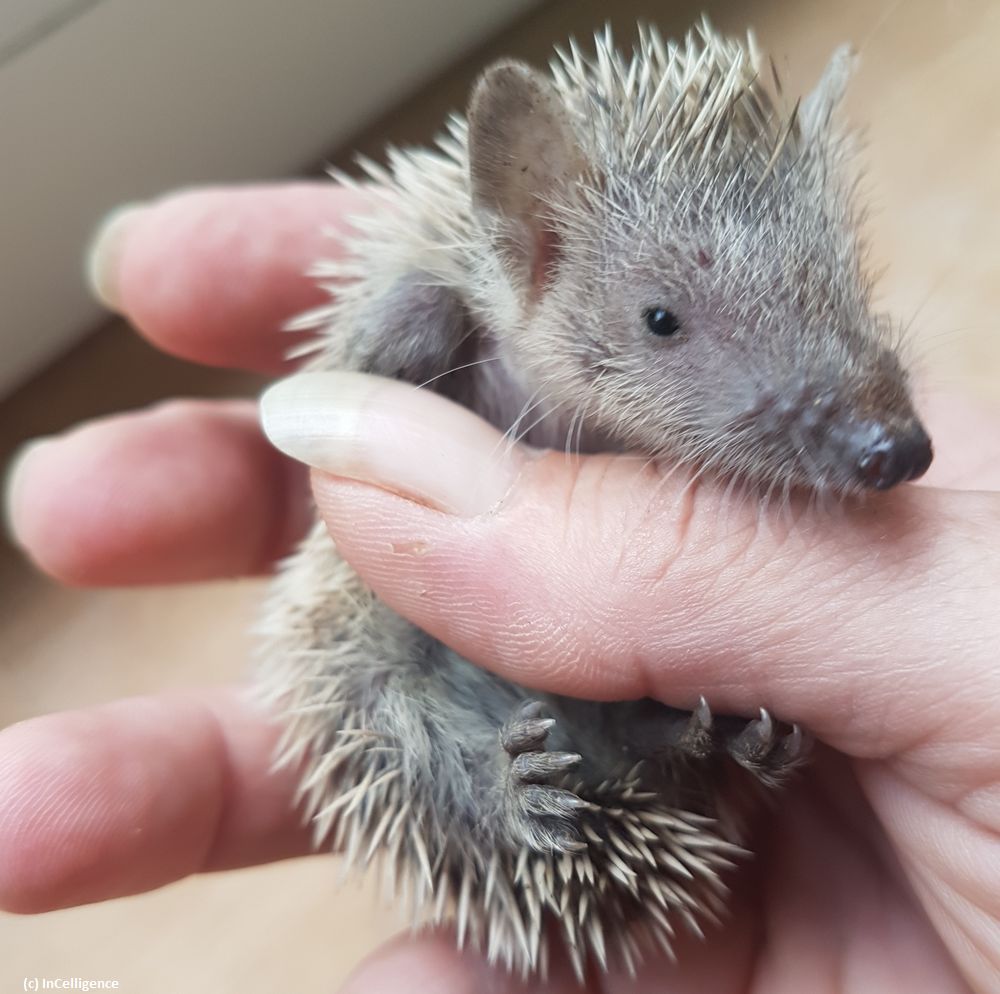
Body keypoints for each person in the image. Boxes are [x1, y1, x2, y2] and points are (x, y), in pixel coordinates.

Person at [3, 185, 998, 993]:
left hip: (714, 791)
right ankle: (536, 790)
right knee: (396, 704)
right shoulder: (441, 300)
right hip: (438, 692)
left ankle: (664, 760)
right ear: (533, 244)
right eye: (661, 319)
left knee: (684, 732)